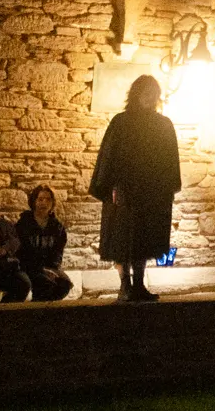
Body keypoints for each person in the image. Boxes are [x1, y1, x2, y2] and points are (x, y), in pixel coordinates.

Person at [90, 76, 181, 303]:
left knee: (144, 239)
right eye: (146, 93)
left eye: (153, 94)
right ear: (136, 94)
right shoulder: (121, 122)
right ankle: (125, 286)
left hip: (152, 193)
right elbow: (109, 158)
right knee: (122, 239)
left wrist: (168, 188)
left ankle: (139, 285)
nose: (150, 98)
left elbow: (169, 160)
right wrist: (111, 186)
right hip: (123, 193)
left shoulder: (163, 124)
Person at [15, 185, 73, 302]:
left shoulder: (57, 227)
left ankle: (46, 312)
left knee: (65, 284)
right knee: (44, 283)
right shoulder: (24, 224)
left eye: (48, 199)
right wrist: (41, 269)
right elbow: (22, 252)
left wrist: (53, 269)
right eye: (40, 199)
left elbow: (57, 252)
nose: (44, 203)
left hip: (49, 266)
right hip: (27, 266)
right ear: (34, 201)